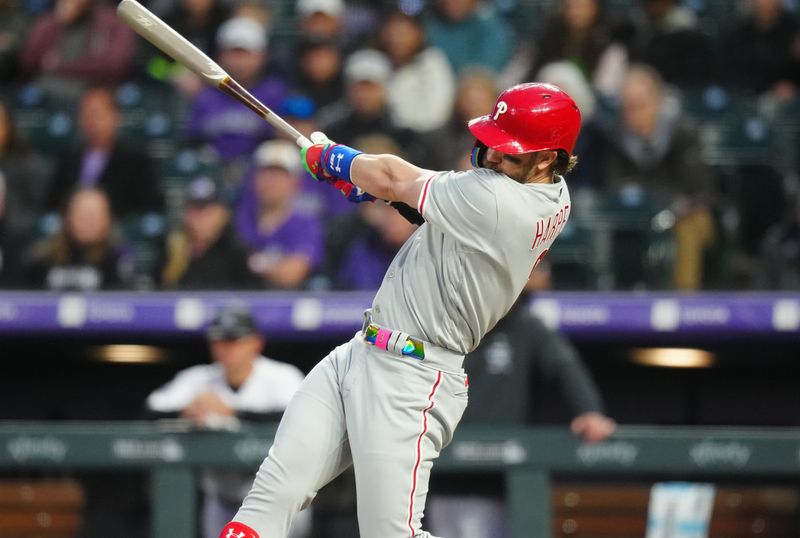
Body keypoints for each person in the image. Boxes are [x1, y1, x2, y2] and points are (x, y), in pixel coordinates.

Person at [217, 81, 581, 538]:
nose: (492, 158)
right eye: (492, 145)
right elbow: (433, 214)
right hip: (360, 353)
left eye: (509, 152)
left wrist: (336, 157)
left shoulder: (500, 200)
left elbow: (394, 177)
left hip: (414, 378)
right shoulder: (552, 194)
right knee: (265, 503)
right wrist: (381, 191)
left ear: (547, 157)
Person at [426, 262, 616, 538]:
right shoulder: (448, 328)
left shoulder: (525, 328)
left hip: (497, 484)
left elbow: (566, 367)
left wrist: (590, 411)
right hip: (446, 478)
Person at [145, 302, 310, 538]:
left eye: (234, 341)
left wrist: (234, 412)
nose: (225, 349)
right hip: (222, 501)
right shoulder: (198, 379)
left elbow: (302, 419)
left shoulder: (282, 377)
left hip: (279, 501)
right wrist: (185, 410)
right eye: (219, 341)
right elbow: (150, 411)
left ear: (256, 342)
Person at [600, 64, 715, 290]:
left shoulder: (683, 133)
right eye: (628, 107)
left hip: (684, 212)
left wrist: (665, 203)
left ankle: (684, 302)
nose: (633, 114)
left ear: (658, 102)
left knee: (690, 227)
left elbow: (699, 188)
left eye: (640, 105)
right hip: (637, 214)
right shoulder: (615, 137)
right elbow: (614, 185)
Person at [45, 86, 164, 220]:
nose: (93, 121)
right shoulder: (68, 159)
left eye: (98, 114)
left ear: (115, 116)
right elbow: (53, 203)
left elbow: (150, 206)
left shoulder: (136, 161)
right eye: (87, 114)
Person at [234, 140, 325, 289]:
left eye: (280, 175)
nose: (271, 182)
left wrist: (254, 263)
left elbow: (291, 275)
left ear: (295, 182)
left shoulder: (304, 224)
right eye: (266, 174)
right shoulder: (240, 219)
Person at [19, 0, 136, 101]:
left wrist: (61, 66)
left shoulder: (110, 20)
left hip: (92, 91)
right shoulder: (52, 21)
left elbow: (113, 65)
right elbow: (29, 59)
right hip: (49, 89)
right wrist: (56, 21)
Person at [24, 187, 134, 291]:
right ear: (67, 216)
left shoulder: (117, 261)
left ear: (107, 219)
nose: (88, 222)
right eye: (82, 215)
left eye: (94, 216)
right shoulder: (42, 259)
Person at [159, 176, 258, 289]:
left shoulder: (238, 249)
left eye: (208, 212)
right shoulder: (173, 246)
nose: (201, 219)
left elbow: (255, 298)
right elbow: (158, 294)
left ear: (223, 214)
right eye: (194, 211)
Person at [379, 8, 456, 133]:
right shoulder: (377, 61)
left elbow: (436, 114)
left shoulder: (432, 62)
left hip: (425, 136)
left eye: (403, 33)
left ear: (419, 34)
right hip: (385, 131)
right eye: (392, 33)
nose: (397, 39)